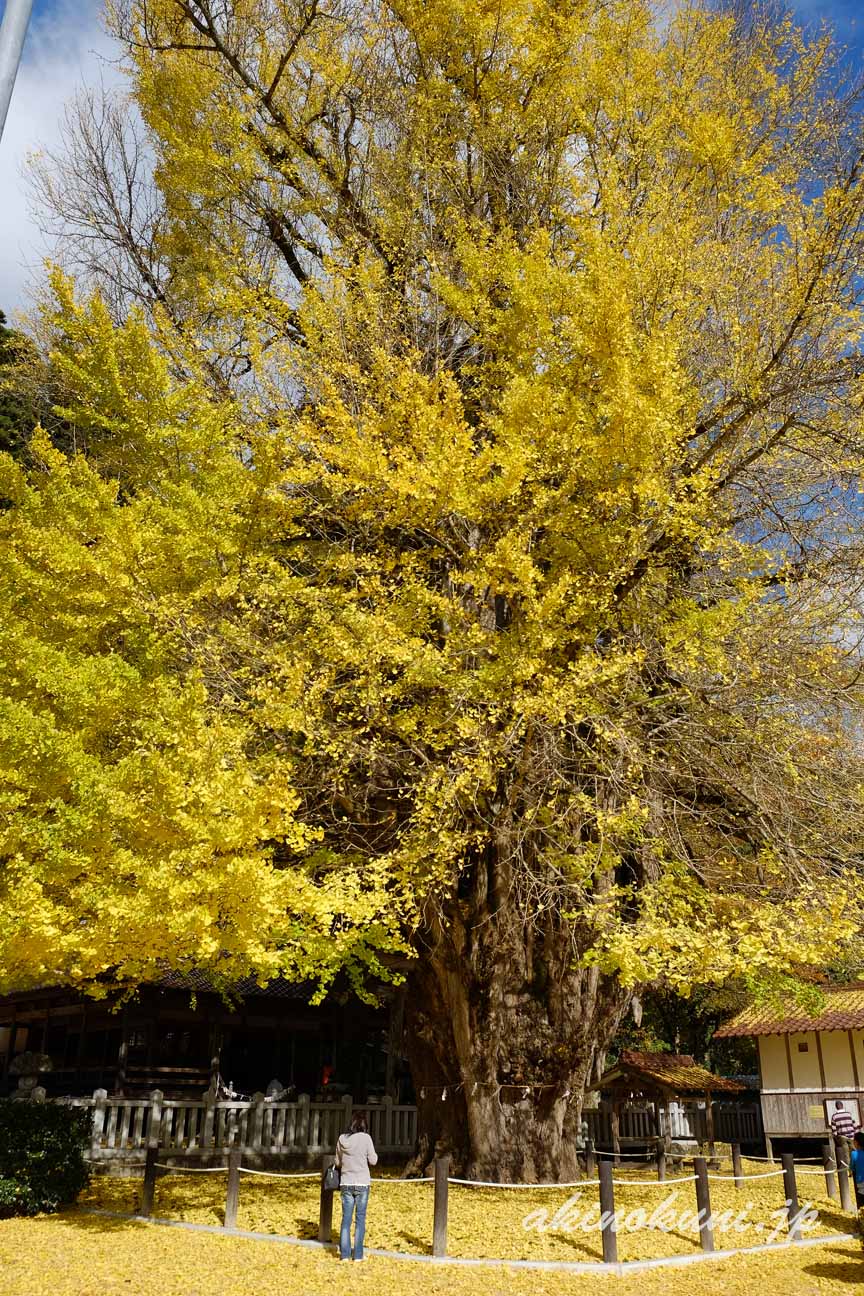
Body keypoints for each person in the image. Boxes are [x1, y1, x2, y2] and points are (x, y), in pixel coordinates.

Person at [335, 1112, 378, 1261]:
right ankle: (358, 1255)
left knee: (345, 1220)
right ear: (364, 1125)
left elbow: (337, 1163)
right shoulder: (366, 1139)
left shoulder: (342, 1139)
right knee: (360, 1219)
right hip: (362, 1182)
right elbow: (373, 1160)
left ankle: (345, 1255)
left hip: (346, 1182)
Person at [851, 1131, 864, 1210]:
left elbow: (852, 1168)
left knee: (861, 1203)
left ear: (856, 1142)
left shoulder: (854, 1154)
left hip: (861, 1183)